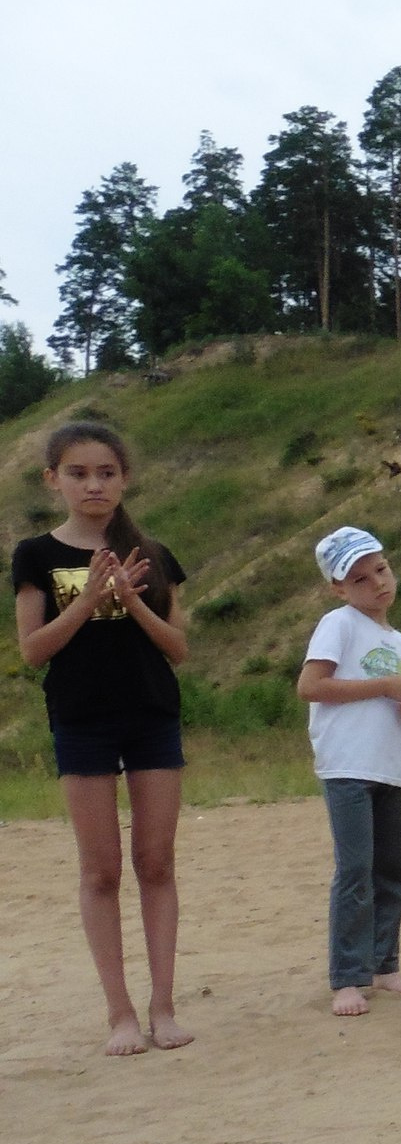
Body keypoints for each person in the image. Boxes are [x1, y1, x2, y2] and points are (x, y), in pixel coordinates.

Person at [10, 421, 194, 1055]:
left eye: (107, 472)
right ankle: (119, 1015)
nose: (94, 484)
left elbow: (178, 648)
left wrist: (132, 600)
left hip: (151, 715)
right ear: (53, 479)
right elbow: (34, 651)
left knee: (156, 862)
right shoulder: (35, 555)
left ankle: (163, 1007)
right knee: (100, 870)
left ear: (125, 479)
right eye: (80, 473)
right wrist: (88, 599)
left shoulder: (153, 553)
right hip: (81, 720)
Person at [296, 526, 401, 1016]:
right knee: (355, 870)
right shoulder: (339, 623)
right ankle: (347, 976)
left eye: (381, 569)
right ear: (339, 587)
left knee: (394, 869)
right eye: (360, 577)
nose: (377, 583)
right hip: (348, 763)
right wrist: (384, 687)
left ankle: (383, 963)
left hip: (392, 764)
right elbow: (311, 686)